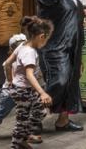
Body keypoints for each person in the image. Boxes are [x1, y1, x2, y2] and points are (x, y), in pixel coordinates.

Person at [36, 0, 86, 131]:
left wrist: (84, 12)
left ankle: (63, 120)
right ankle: (32, 117)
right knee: (59, 80)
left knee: (70, 82)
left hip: (72, 44)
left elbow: (70, 10)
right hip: (54, 45)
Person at [4, 16, 53, 149]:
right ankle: (17, 144)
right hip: (23, 91)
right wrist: (42, 93)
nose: (45, 43)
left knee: (40, 111)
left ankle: (23, 138)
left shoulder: (22, 45)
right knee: (22, 120)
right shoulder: (29, 52)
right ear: (41, 36)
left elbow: (7, 64)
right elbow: (30, 75)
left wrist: (10, 82)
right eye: (46, 40)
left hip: (22, 89)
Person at [0, 33, 44, 141]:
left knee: (26, 113)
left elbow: (36, 75)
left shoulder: (30, 57)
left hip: (25, 91)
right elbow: (12, 76)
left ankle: (27, 135)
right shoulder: (11, 62)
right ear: (13, 49)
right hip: (10, 92)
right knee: (1, 113)